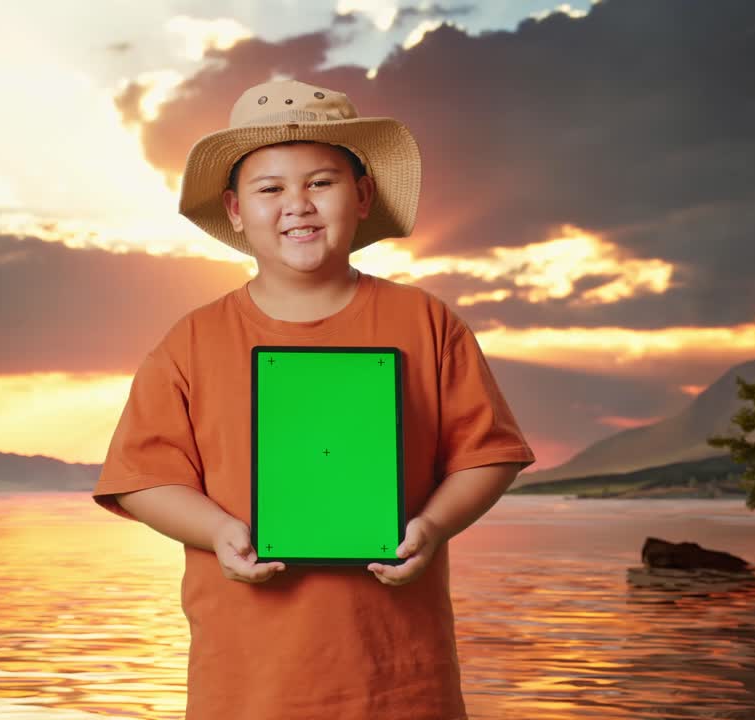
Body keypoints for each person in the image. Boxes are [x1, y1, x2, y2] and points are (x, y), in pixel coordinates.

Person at [92, 78, 536, 720]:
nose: (296, 204)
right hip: (244, 684)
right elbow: (142, 479)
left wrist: (433, 527)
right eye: (269, 188)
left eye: (321, 182)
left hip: (400, 681)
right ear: (236, 209)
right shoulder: (191, 341)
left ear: (362, 196)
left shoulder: (428, 323)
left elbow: (487, 455)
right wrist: (218, 531)